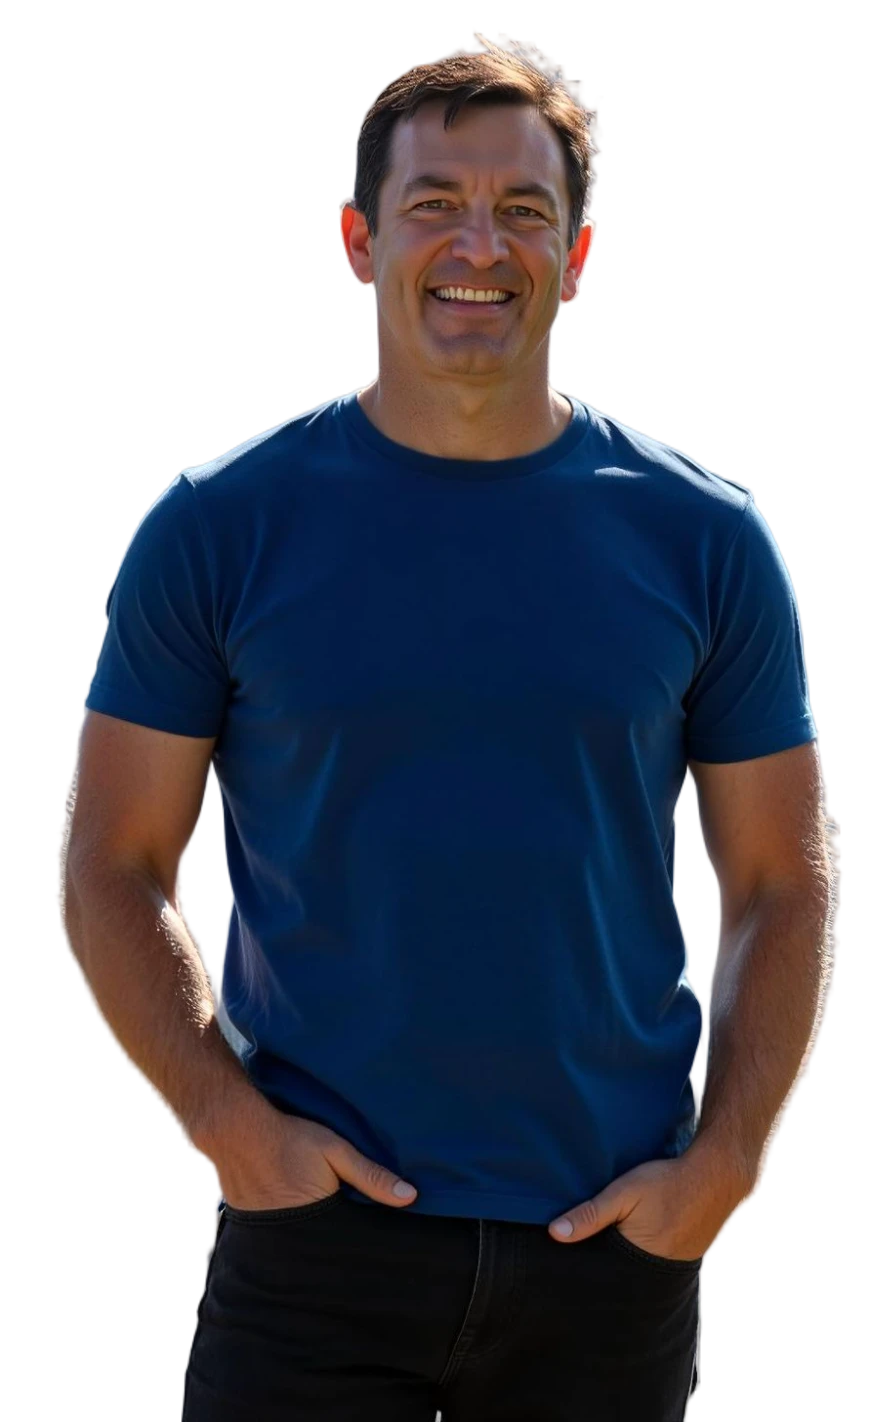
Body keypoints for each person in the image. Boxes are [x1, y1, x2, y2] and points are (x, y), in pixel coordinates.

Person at [59, 30, 829, 1422]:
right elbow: (113, 864)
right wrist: (228, 1127)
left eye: (523, 210)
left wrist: (726, 1164)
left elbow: (781, 879)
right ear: (360, 241)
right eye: (435, 204)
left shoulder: (704, 537)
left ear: (576, 257)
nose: (479, 245)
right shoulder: (219, 526)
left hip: (611, 1244)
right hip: (312, 1243)